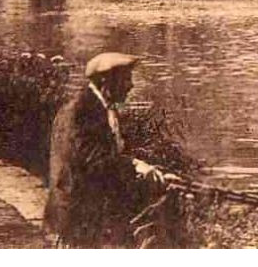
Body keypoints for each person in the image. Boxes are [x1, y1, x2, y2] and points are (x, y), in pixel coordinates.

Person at [44, 52, 174, 248]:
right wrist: (135, 167)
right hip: (76, 220)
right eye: (125, 79)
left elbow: (103, 157)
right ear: (106, 81)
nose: (130, 86)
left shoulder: (97, 107)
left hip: (85, 215)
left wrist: (141, 166)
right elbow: (93, 162)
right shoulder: (81, 112)